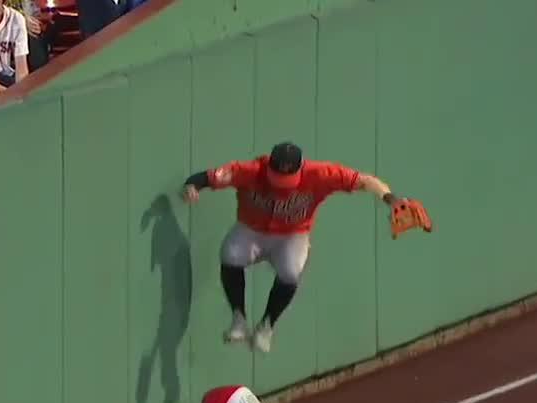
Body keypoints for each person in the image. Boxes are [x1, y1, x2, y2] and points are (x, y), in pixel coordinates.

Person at [182, 142, 432, 353]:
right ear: (268, 166)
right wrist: (192, 187)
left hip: (292, 234)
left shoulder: (321, 174)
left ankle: (267, 325)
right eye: (277, 177)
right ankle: (239, 319)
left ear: (301, 169)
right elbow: (205, 178)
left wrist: (392, 199)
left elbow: (365, 181)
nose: (282, 184)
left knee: (290, 271)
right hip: (253, 230)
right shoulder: (249, 171)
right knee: (231, 254)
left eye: (288, 179)